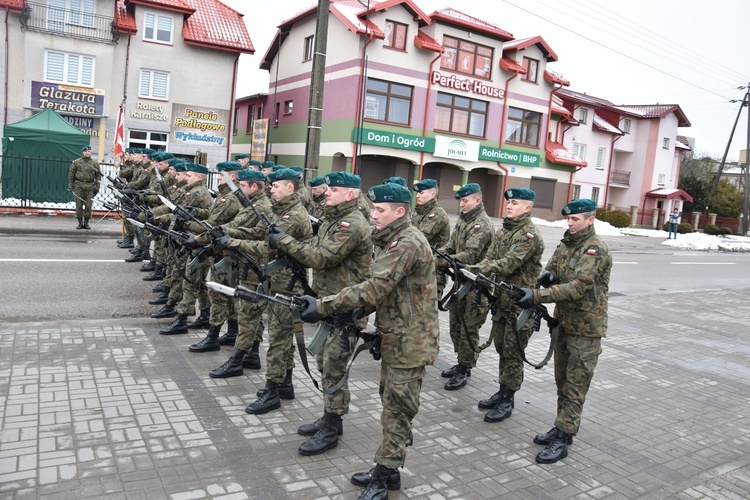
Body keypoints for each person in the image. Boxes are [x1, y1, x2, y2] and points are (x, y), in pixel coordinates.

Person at [298, 182, 439, 499]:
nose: (373, 215)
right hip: (399, 336)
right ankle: (389, 472)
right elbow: (390, 294)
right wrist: (361, 314)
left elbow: (374, 288)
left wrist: (323, 306)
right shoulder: (392, 240)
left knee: (398, 410)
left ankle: (383, 477)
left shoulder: (405, 243)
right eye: (373, 209)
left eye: (380, 210)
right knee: (392, 405)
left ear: (399, 212)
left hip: (411, 343)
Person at [269, 171, 372, 456]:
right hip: (329, 303)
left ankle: (332, 425)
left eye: (334, 190)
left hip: (345, 309)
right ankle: (331, 418)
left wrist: (284, 241)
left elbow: (321, 257)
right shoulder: (333, 220)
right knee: (324, 364)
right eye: (328, 189)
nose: (327, 193)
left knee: (334, 367)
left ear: (350, 195)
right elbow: (315, 250)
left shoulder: (351, 224)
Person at [515, 198, 612, 464]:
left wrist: (537, 295)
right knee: (562, 382)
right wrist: (547, 275)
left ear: (590, 220)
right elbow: (555, 267)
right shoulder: (568, 242)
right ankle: (562, 427)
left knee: (575, 386)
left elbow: (578, 288)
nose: (570, 224)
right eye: (568, 219)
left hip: (586, 330)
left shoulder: (595, 249)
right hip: (565, 324)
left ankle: (564, 436)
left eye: (575, 220)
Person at [223, 167, 313, 415]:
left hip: (287, 286)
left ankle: (273, 390)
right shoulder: (281, 211)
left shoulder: (293, 216)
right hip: (277, 283)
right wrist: (230, 233)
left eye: (275, 186)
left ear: (289, 188)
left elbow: (265, 249)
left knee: (278, 340)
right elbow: (258, 234)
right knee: (283, 338)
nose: (270, 189)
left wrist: (231, 241)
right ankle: (285, 384)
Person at [468, 188, 544, 423]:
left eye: (514, 203)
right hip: (503, 302)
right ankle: (502, 391)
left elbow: (509, 263)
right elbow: (490, 257)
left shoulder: (530, 235)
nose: (508, 206)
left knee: (513, 353)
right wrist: (479, 270)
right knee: (502, 347)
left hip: (520, 307)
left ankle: (508, 399)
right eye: (508, 203)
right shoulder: (504, 231)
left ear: (527, 208)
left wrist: (479, 269)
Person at [207, 168, 272, 377]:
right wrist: (225, 234)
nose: (240, 189)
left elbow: (250, 233)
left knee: (248, 315)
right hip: (250, 265)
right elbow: (242, 229)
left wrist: (227, 236)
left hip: (256, 267)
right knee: (251, 314)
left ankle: (238, 360)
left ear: (254, 187)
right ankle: (251, 355)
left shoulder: (261, 207)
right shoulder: (253, 205)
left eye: (243, 186)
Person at [435, 183, 494, 391]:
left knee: (469, 329)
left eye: (466, 200)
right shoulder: (463, 221)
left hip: (477, 288)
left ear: (477, 201)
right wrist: (437, 254)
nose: (462, 204)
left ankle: (465, 368)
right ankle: (461, 361)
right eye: (461, 201)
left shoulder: (482, 224)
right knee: (455, 325)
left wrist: (439, 262)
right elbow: (451, 246)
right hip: (462, 283)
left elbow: (470, 255)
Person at [411, 178, 450, 296]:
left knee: (426, 313)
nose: (417, 196)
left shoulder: (437, 214)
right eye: (417, 193)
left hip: (433, 273)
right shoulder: (418, 213)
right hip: (419, 269)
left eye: (421, 193)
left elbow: (418, 238)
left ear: (432, 194)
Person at [67, 145, 100, 230]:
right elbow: (71, 174)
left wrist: (97, 187)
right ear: (82, 152)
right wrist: (71, 185)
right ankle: (79, 222)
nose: (87, 153)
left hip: (90, 186)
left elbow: (98, 176)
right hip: (79, 185)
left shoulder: (94, 163)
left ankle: (86, 222)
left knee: (88, 205)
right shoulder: (76, 162)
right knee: (79, 205)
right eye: (85, 151)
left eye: (88, 151)